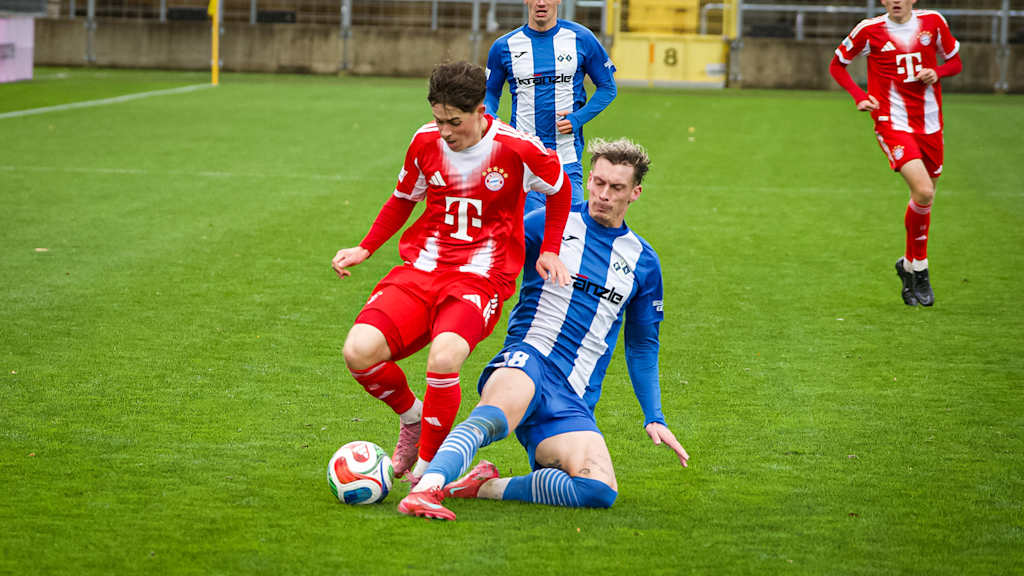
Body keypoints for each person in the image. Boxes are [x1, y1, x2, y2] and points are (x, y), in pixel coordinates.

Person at [398, 138, 689, 521]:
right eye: (597, 182)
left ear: (635, 193)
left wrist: (654, 415)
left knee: (598, 490)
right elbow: (490, 256)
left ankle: (480, 486)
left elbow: (642, 346)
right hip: (528, 359)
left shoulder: (643, 262)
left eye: (616, 188)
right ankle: (426, 489)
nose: (603, 195)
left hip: (573, 395)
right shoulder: (549, 225)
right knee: (492, 417)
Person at [331, 61, 573, 484]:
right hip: (423, 268)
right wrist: (365, 247)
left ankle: (427, 470)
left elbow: (560, 187)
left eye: (454, 122)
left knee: (444, 358)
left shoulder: (517, 148)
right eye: (438, 120)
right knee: (358, 351)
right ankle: (413, 417)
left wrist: (550, 250)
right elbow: (402, 198)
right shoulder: (425, 141)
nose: (444, 131)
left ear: (481, 109)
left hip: (482, 277)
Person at [829, 0, 962, 307]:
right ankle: (921, 268)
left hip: (930, 121)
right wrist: (859, 96)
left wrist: (937, 72)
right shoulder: (870, 29)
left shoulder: (933, 22)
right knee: (924, 190)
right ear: (883, 2)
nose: (897, 1)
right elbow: (837, 65)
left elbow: (955, 63)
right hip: (892, 121)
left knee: (924, 199)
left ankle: (908, 266)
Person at [485, 0, 617, 213]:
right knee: (526, 236)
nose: (541, 2)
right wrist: (492, 119)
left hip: (567, 158)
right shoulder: (504, 46)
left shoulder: (581, 38)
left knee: (569, 234)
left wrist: (577, 118)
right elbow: (490, 93)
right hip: (522, 160)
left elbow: (607, 88)